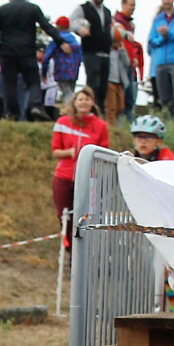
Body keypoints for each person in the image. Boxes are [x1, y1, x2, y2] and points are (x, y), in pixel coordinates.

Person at [0, 0, 68, 121]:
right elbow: (47, 26)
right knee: (33, 81)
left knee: (9, 84)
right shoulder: (32, 9)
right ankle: (36, 105)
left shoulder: (2, 10)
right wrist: (61, 41)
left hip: (7, 52)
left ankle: (11, 113)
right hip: (27, 51)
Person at [51, 87, 108, 250]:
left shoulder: (100, 125)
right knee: (63, 213)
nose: (84, 102)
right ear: (74, 102)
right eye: (80, 99)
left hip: (88, 177)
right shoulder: (62, 122)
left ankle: (84, 248)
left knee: (83, 215)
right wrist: (69, 152)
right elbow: (55, 151)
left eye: (87, 99)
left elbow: (104, 151)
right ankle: (69, 246)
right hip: (64, 175)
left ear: (92, 102)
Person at [68, 0, 112, 113]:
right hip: (91, 52)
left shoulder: (107, 11)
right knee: (93, 84)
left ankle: (100, 114)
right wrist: (80, 29)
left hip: (106, 53)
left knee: (103, 87)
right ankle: (90, 111)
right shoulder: (84, 8)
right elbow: (70, 22)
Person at [40, 16, 82, 106]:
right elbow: (80, 58)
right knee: (71, 91)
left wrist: (44, 73)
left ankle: (70, 114)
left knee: (67, 94)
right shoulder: (75, 41)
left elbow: (46, 58)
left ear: (59, 26)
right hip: (74, 71)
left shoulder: (56, 40)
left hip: (61, 70)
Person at [115, 0, 142, 123]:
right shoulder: (118, 21)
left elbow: (131, 45)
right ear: (123, 4)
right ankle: (122, 124)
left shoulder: (130, 24)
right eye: (131, 5)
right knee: (123, 96)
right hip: (121, 63)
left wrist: (135, 58)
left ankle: (129, 125)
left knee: (130, 97)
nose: (133, 8)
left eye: (134, 5)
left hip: (130, 64)